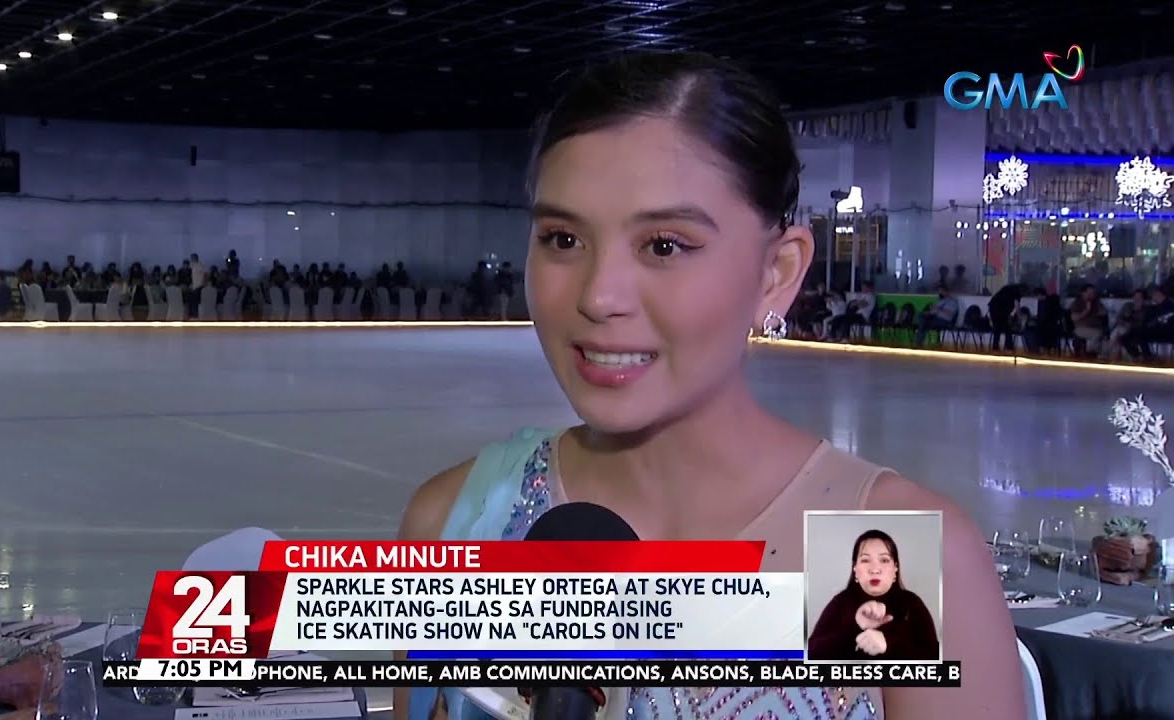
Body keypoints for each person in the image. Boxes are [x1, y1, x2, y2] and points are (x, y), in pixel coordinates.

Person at [395, 52, 1022, 720]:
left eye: (664, 245)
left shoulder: (901, 561)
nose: (599, 296)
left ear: (777, 273)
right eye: (562, 239)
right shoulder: (455, 521)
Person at [807, 530, 940, 661]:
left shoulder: (912, 603)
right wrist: (855, 626)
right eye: (865, 560)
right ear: (855, 569)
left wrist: (889, 644)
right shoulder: (840, 602)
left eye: (884, 560)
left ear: (895, 568)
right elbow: (809, 654)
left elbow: (935, 656)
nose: (875, 569)